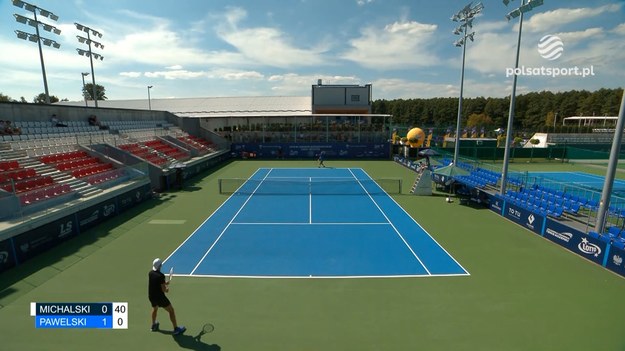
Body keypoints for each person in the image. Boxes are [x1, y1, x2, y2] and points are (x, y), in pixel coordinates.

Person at [148, 258, 186, 335]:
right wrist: (166, 289)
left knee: (154, 308)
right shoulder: (161, 276)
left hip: (151, 296)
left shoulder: (150, 273)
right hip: (160, 298)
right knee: (171, 310)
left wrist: (165, 283)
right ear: (160, 266)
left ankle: (153, 325)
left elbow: (156, 282)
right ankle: (176, 329)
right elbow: (163, 290)